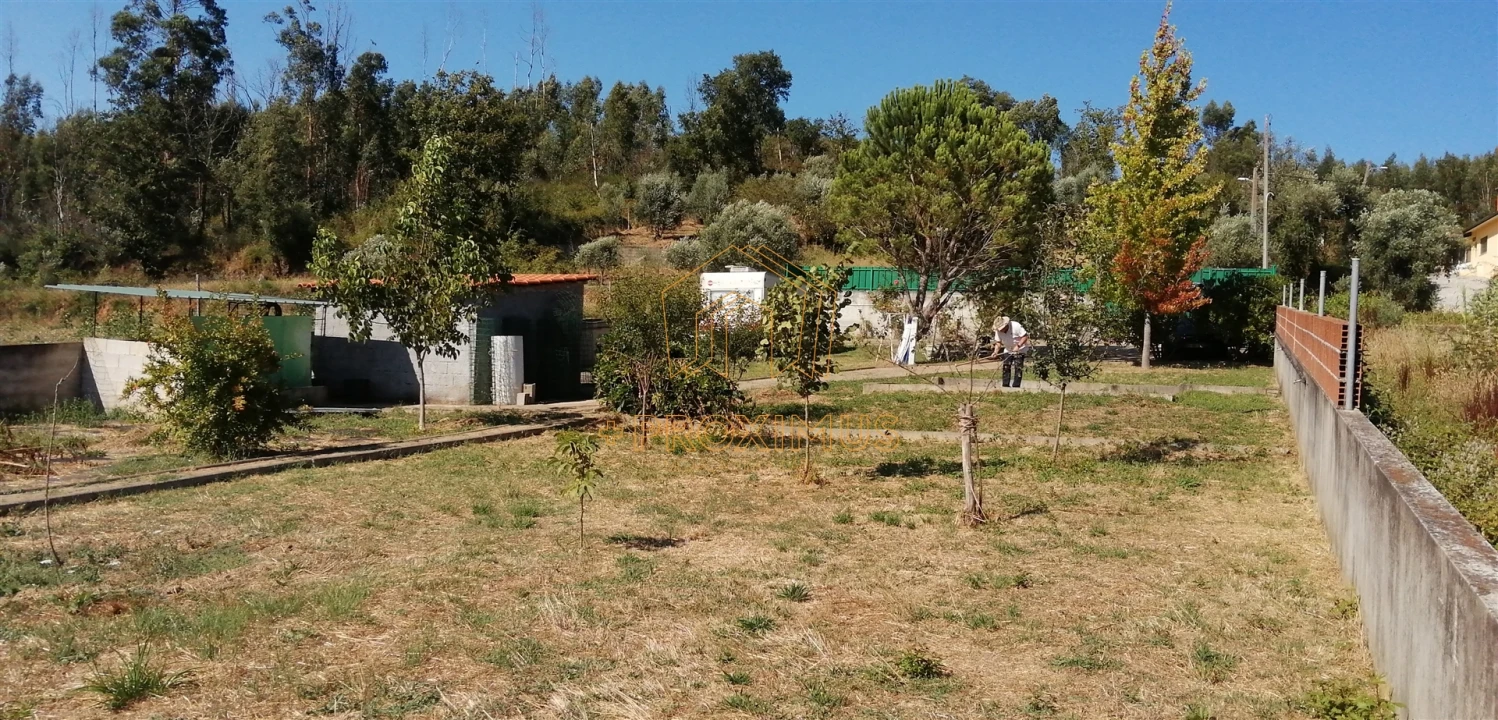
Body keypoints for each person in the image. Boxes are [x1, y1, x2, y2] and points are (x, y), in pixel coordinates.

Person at [990, 315, 1031, 388]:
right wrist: (995, 352)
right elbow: (998, 342)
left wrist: (1018, 346)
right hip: (1008, 350)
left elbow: (1025, 336)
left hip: (1020, 349)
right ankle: (1005, 385)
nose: (1001, 330)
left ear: (1006, 325)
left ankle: (1016, 386)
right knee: (1006, 367)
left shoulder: (1016, 325)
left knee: (1018, 367)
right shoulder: (998, 331)